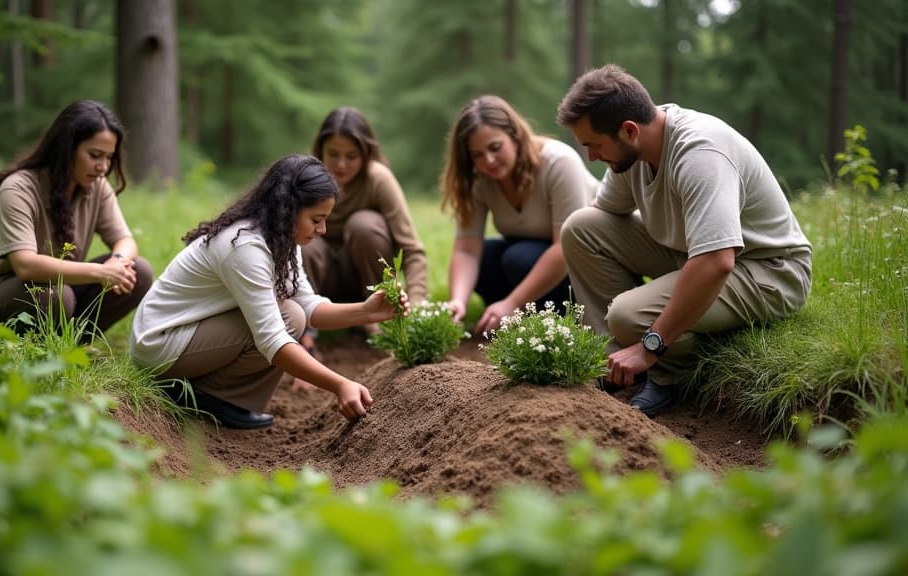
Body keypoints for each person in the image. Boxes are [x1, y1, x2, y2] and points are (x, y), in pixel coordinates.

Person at [557, 64, 813, 417]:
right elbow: (602, 218)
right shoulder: (632, 152)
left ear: (629, 131)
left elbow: (717, 260)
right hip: (693, 252)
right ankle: (614, 364)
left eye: (595, 145)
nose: (592, 157)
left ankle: (666, 372)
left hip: (764, 271)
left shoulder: (700, 155)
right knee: (580, 228)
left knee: (627, 315)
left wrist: (650, 344)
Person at [129, 154, 408, 429]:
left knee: (295, 315)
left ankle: (208, 395)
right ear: (289, 209)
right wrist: (340, 384)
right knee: (287, 319)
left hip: (190, 336)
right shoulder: (244, 247)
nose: (322, 229)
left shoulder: (283, 240)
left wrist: (367, 311)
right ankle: (200, 394)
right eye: (316, 219)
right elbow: (272, 340)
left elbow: (309, 306)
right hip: (159, 344)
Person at [0, 99, 153, 338]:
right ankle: (25, 347)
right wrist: (100, 272)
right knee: (56, 296)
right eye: (95, 155)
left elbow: (126, 240)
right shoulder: (18, 189)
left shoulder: (96, 187)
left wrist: (117, 262)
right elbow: (25, 265)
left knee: (139, 271)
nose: (103, 167)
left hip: (57, 292)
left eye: (109, 157)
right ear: (67, 147)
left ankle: (68, 344)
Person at [440, 95, 599, 335]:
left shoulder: (558, 162)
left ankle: (556, 321)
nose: (488, 161)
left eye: (495, 148)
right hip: (536, 259)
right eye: (477, 155)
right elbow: (466, 249)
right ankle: (514, 319)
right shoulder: (478, 179)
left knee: (518, 257)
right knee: (487, 258)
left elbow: (566, 248)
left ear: (514, 135)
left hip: (587, 261)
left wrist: (512, 302)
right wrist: (458, 302)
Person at [301, 107, 428, 350]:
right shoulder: (306, 180)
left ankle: (376, 321)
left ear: (366, 153)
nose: (341, 164)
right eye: (333, 154)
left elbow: (412, 250)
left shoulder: (378, 179)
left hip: (365, 281)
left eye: (351, 156)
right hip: (320, 283)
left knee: (364, 224)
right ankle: (306, 331)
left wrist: (419, 307)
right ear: (320, 151)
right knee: (304, 245)